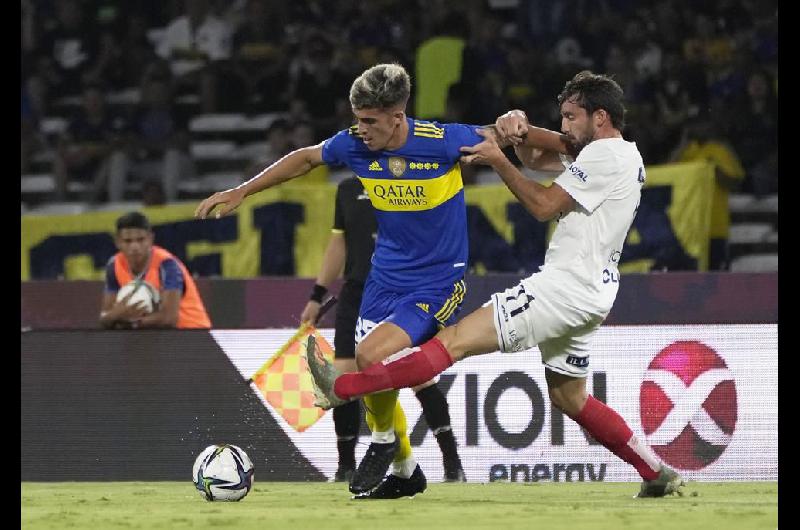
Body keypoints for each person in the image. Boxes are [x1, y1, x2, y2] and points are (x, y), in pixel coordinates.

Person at [306, 71, 686, 498]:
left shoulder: (603, 157)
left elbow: (542, 206)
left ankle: (343, 388)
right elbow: (540, 157)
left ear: (600, 118)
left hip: (562, 290)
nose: (563, 127)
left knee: (452, 341)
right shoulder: (621, 155)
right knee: (570, 398)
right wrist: (517, 128)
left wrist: (498, 158)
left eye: (569, 117)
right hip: (593, 293)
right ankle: (655, 472)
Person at [195, 63, 488, 499]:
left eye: (369, 120)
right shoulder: (353, 151)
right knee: (372, 367)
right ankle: (407, 470)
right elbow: (306, 158)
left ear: (397, 114)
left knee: (376, 359)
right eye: (357, 118)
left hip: (436, 283)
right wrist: (244, 190)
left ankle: (400, 448)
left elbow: (497, 135)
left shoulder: (440, 141)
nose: (360, 129)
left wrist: (531, 129)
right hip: (378, 282)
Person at [300, 175, 466, 484]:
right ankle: (345, 467)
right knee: (346, 376)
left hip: (401, 293)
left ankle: (452, 463)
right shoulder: (347, 189)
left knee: (418, 377)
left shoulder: (411, 180)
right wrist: (317, 294)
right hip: (357, 292)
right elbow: (339, 242)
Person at [100, 212, 212, 330]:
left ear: (150, 239)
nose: (134, 246)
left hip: (193, 333)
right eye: (128, 241)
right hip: (153, 337)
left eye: (140, 240)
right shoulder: (114, 265)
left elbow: (169, 319)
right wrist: (117, 314)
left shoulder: (167, 265)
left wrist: (130, 322)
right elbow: (104, 318)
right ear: (118, 242)